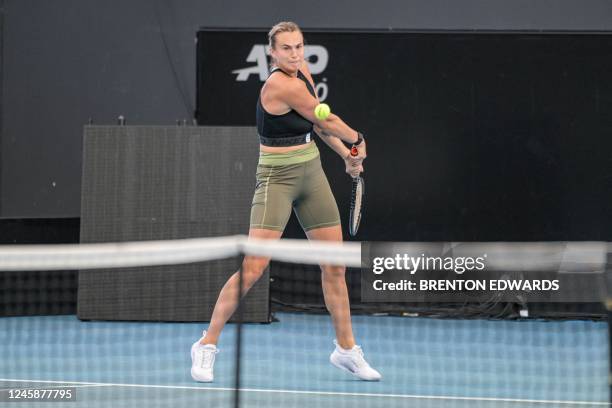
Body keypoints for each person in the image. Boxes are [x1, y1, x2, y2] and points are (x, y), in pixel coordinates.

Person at [191, 21, 380, 382]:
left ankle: (345, 350)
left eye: (298, 46)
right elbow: (331, 119)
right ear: (272, 54)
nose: (294, 54)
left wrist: (344, 155)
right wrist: (358, 139)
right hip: (276, 179)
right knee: (253, 268)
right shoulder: (280, 84)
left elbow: (318, 126)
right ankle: (206, 344)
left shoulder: (302, 73)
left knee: (334, 266)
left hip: (311, 173)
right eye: (287, 49)